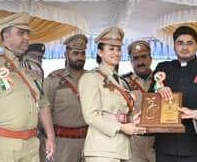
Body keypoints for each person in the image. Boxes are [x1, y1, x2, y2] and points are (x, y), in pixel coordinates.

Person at [0, 13, 55, 162]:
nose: (26, 37)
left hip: (31, 145)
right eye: (21, 33)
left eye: (27, 33)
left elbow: (43, 104)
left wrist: (50, 136)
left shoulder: (30, 69)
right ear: (6, 35)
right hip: (3, 145)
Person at [151, 26, 197, 162]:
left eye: (189, 43)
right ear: (174, 46)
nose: (184, 47)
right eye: (180, 43)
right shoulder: (163, 68)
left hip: (195, 144)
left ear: (196, 46)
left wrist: (192, 113)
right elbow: (150, 97)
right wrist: (158, 89)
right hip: (165, 145)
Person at [79, 27, 146, 162]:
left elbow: (117, 113)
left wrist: (132, 121)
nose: (116, 53)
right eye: (111, 49)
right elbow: (90, 116)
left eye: (118, 49)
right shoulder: (91, 78)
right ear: (100, 52)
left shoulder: (120, 81)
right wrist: (122, 127)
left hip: (121, 149)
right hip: (101, 150)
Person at [44, 34, 88, 162]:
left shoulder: (92, 78)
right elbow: (44, 110)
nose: (80, 57)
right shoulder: (53, 80)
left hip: (89, 142)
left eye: (83, 53)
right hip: (62, 143)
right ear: (66, 55)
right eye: (75, 53)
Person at [121, 41, 155, 162]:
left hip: (159, 141)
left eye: (144, 57)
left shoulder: (161, 79)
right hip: (134, 141)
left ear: (151, 59)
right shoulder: (123, 82)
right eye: (135, 58)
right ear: (131, 61)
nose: (140, 62)